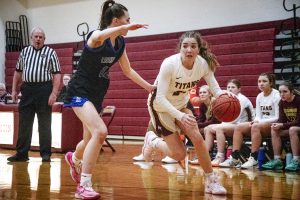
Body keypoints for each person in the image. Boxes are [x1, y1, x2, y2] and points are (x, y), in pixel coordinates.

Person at [63, 1, 154, 199]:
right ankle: (84, 185)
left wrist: (148, 87)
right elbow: (99, 34)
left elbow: (128, 70)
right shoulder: (96, 37)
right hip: (79, 90)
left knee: (88, 140)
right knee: (101, 131)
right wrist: (125, 27)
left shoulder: (120, 43)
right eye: (127, 20)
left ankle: (74, 158)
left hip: (97, 93)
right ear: (116, 21)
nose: (130, 24)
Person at [143, 31, 227, 195]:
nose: (189, 49)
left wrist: (226, 97)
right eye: (185, 46)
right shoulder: (169, 64)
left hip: (181, 102)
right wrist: (179, 116)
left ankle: (211, 180)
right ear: (180, 48)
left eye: (193, 46)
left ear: (198, 49)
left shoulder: (203, 64)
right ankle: (153, 141)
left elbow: (215, 89)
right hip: (161, 106)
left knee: (197, 137)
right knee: (179, 154)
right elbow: (159, 98)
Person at [7, 27, 61, 162]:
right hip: (27, 90)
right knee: (24, 123)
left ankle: (45, 154)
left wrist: (54, 93)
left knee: (44, 123)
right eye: (36, 36)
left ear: (44, 39)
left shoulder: (51, 52)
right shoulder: (25, 52)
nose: (38, 39)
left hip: (44, 89)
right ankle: (21, 154)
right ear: (31, 38)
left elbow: (57, 74)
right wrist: (13, 90)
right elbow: (18, 72)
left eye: (40, 37)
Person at [219, 73, 280, 169]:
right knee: (239, 127)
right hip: (261, 124)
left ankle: (254, 158)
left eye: (264, 81)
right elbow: (258, 116)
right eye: (259, 81)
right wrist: (256, 120)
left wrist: (259, 122)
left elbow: (277, 117)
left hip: (274, 124)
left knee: (255, 126)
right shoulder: (260, 96)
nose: (261, 84)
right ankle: (235, 158)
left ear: (271, 83)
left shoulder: (276, 95)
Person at [203, 79, 254, 166]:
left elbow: (234, 119)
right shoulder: (228, 98)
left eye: (233, 87)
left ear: (239, 89)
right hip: (233, 125)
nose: (230, 89)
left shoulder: (241, 99)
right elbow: (228, 120)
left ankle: (220, 157)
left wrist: (221, 125)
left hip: (244, 126)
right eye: (228, 87)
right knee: (207, 128)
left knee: (219, 128)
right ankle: (206, 156)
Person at [262, 82, 300, 171]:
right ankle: (277, 159)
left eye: (285, 91)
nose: (282, 94)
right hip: (293, 127)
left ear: (292, 92)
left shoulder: (298, 100)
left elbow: (298, 121)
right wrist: (277, 124)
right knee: (274, 129)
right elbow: (281, 119)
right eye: (280, 92)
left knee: (292, 129)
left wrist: (282, 125)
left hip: (296, 127)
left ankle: (296, 160)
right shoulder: (282, 102)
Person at [188, 85, 221, 164]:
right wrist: (195, 124)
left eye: (204, 92)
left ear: (209, 94)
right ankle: (201, 155)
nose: (202, 94)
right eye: (200, 93)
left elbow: (214, 121)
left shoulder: (215, 103)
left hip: (218, 125)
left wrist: (198, 125)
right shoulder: (202, 105)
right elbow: (201, 118)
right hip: (209, 126)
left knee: (201, 130)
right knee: (194, 131)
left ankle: (205, 156)